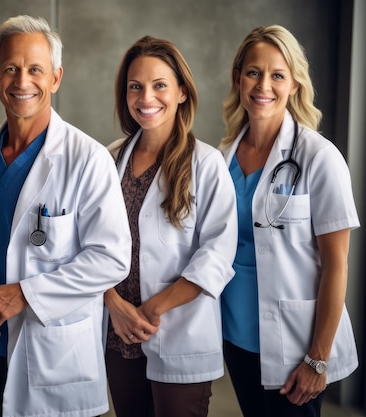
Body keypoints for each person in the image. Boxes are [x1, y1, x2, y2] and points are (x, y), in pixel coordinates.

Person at [0, 14, 132, 417]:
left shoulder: (88, 159)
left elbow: (112, 258)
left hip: (53, 352)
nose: (22, 81)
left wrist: (24, 295)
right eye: (12, 69)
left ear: (55, 78)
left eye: (36, 69)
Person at [219, 25, 360, 417]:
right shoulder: (223, 156)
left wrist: (318, 358)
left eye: (277, 75)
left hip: (296, 342)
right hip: (237, 333)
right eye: (253, 72)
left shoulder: (319, 157)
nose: (264, 85)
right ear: (238, 78)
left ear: (294, 83)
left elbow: (337, 263)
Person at [105, 36, 238, 417]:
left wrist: (150, 310)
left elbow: (217, 254)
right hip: (118, 336)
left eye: (160, 85)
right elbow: (87, 244)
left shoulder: (207, 164)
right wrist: (114, 304)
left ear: (182, 92)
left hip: (178, 331)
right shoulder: (110, 158)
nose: (146, 97)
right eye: (136, 86)